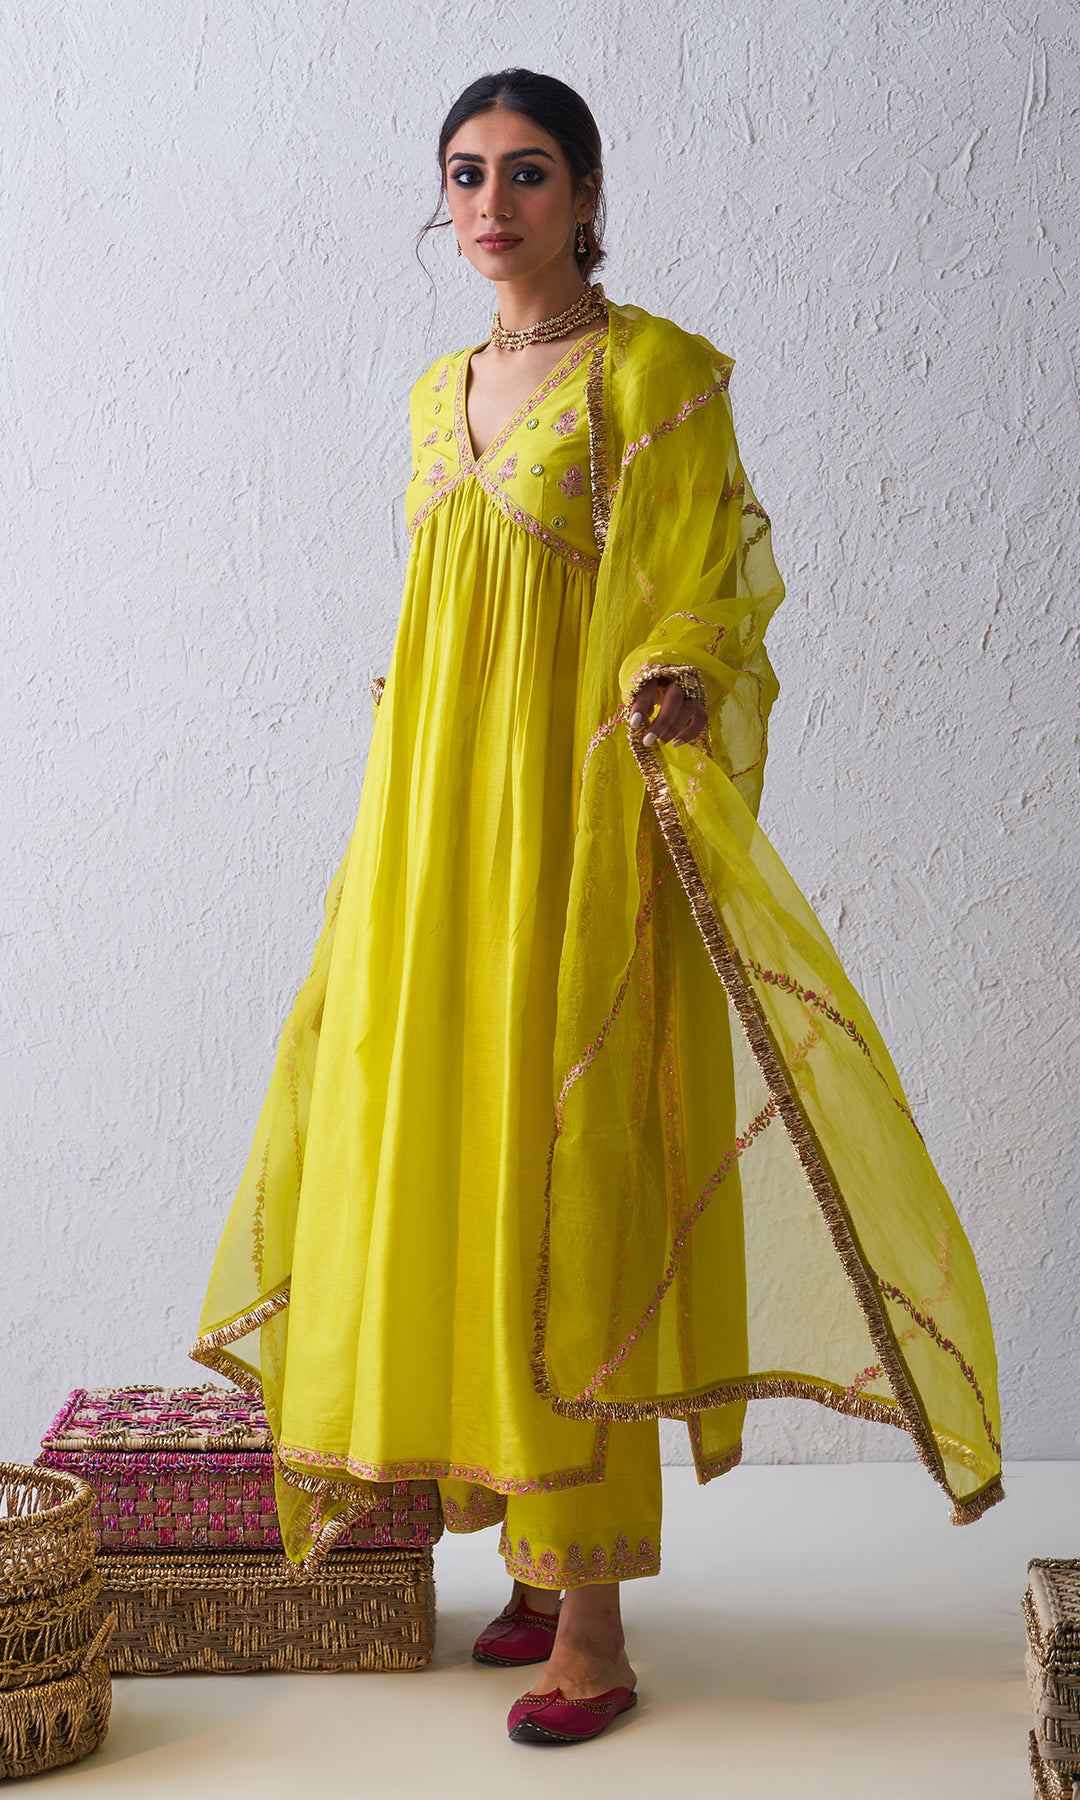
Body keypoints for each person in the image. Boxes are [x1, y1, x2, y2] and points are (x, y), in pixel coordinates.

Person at [191, 69, 1002, 1746]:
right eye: (465, 173)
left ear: (585, 193)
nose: (491, 203)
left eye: (528, 172)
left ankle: (597, 1622)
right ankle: (528, 1547)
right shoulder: (437, 394)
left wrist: (678, 677)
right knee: (452, 1153)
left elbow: (707, 591)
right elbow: (442, 608)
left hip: (577, 831)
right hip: (437, 836)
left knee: (573, 1180)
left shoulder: (656, 375)